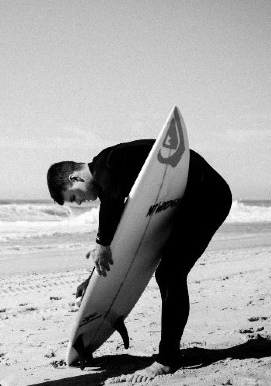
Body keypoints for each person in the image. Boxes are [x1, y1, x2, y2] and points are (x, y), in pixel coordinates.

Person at [47, 139, 232, 382]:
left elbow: (111, 205)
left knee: (170, 273)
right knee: (169, 272)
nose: (80, 203)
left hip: (207, 195)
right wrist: (93, 280)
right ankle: (169, 356)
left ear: (75, 178)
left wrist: (101, 243)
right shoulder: (114, 175)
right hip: (190, 199)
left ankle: (167, 360)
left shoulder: (108, 166)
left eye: (73, 197)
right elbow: (126, 238)